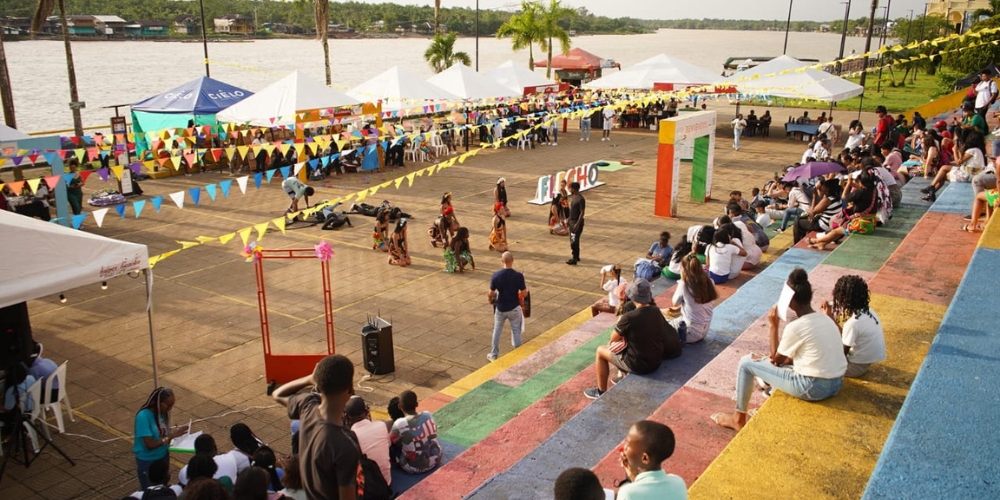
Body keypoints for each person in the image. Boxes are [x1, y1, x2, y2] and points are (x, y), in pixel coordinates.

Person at [712, 268, 847, 431]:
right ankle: (769, 395)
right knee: (787, 363)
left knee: (746, 363)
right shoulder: (825, 319)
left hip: (814, 387)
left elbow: (775, 360)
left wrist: (773, 326)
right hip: (836, 383)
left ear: (789, 301)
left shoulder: (796, 327)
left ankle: (738, 419)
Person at [271, 354, 359, 500]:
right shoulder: (346, 444)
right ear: (350, 389)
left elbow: (277, 394)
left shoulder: (307, 406)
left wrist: (310, 378)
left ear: (318, 386)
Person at [584, 278, 680, 399]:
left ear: (632, 297)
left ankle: (601, 391)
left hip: (639, 365)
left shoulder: (629, 317)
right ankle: (622, 376)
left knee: (600, 351)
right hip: (656, 361)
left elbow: (613, 337)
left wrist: (621, 324)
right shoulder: (655, 311)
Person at [822, 275, 886, 378]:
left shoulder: (853, 323)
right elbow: (847, 337)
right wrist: (830, 317)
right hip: (864, 363)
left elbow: (841, 355)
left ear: (843, 300)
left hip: (854, 368)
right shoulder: (868, 312)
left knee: (821, 355)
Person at [616, 420, 687, 500]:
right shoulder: (678, 483)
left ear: (645, 458)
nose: (624, 447)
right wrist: (633, 475)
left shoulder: (627, 493)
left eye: (628, 445)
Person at [133, 387, 185, 489]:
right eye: (168, 406)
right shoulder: (143, 417)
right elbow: (149, 444)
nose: (169, 409)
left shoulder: (162, 413)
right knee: (149, 490)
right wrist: (172, 436)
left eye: (172, 406)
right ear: (158, 402)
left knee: (162, 488)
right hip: (149, 461)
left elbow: (163, 433)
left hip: (163, 456)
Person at [667, 255, 717, 344]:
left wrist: (682, 280)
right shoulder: (710, 282)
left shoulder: (684, 284)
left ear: (684, 270)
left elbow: (674, 303)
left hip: (689, 333)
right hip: (705, 331)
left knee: (661, 324)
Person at [389, 390, 442, 474]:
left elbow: (389, 441)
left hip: (413, 468)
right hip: (436, 459)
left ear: (399, 406)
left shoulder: (399, 423)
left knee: (394, 447)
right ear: (417, 404)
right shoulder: (428, 415)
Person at [487, 251, 527, 362]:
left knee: (497, 330)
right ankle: (518, 353)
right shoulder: (518, 276)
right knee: (516, 330)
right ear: (513, 261)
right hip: (514, 307)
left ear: (502, 261)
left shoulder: (496, 275)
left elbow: (490, 293)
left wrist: (490, 300)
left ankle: (494, 354)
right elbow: (524, 294)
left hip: (500, 308)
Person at [344, 396, 391, 487]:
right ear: (366, 412)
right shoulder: (381, 425)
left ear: (347, 416)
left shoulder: (348, 438)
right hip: (387, 481)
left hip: (368, 490)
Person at [792, 178, 843, 245]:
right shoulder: (836, 198)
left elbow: (812, 213)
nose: (822, 187)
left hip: (823, 225)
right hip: (831, 223)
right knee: (806, 220)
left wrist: (814, 197)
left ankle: (796, 243)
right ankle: (802, 240)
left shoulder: (827, 200)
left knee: (797, 222)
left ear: (827, 188)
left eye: (823, 186)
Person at [566, 182, 585, 265]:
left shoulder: (581, 199)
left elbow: (582, 212)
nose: (569, 190)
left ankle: (574, 258)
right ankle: (577, 256)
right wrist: (569, 219)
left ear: (573, 189)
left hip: (576, 223)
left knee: (574, 241)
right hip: (572, 221)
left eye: (570, 188)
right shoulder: (574, 197)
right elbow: (573, 210)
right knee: (573, 240)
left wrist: (577, 224)